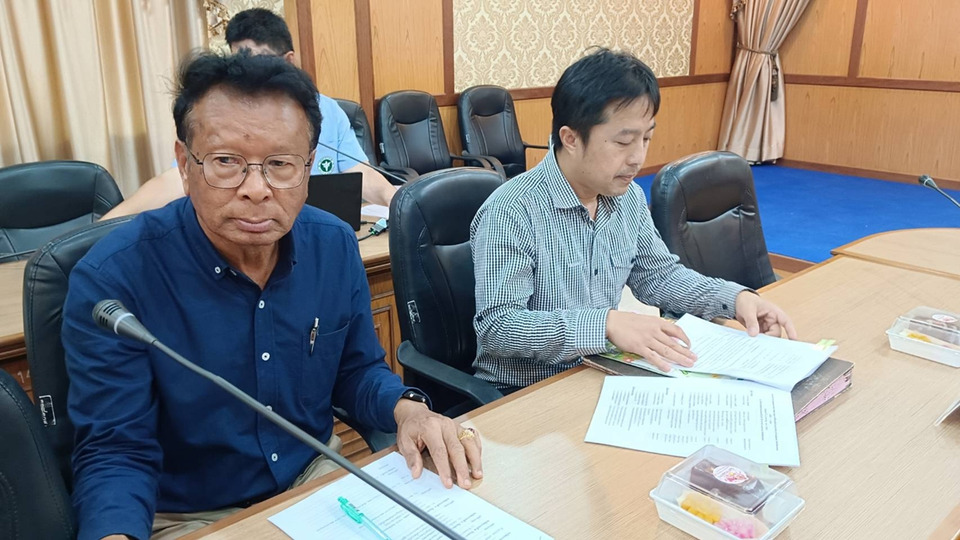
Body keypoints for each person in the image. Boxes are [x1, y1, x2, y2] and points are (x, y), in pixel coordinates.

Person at [62, 52, 481, 540]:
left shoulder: (333, 243)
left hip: (315, 483)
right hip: (187, 514)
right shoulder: (114, 279)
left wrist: (410, 410)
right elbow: (116, 450)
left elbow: (356, 372)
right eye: (226, 162)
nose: (257, 189)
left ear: (309, 167)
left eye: (280, 164)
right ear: (184, 164)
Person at [470, 48, 797, 392]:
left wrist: (734, 299)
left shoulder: (627, 198)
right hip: (526, 392)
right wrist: (605, 325)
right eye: (624, 141)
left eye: (646, 138)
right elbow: (498, 327)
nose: (638, 157)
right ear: (570, 139)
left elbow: (659, 276)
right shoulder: (512, 211)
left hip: (599, 372)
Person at [101, 8, 395, 220]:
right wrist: (100, 230)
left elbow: (360, 173)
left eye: (256, 60)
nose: (246, 71)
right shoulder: (219, 115)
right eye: (238, 59)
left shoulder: (327, 110)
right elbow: (176, 181)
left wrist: (395, 200)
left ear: (288, 61)